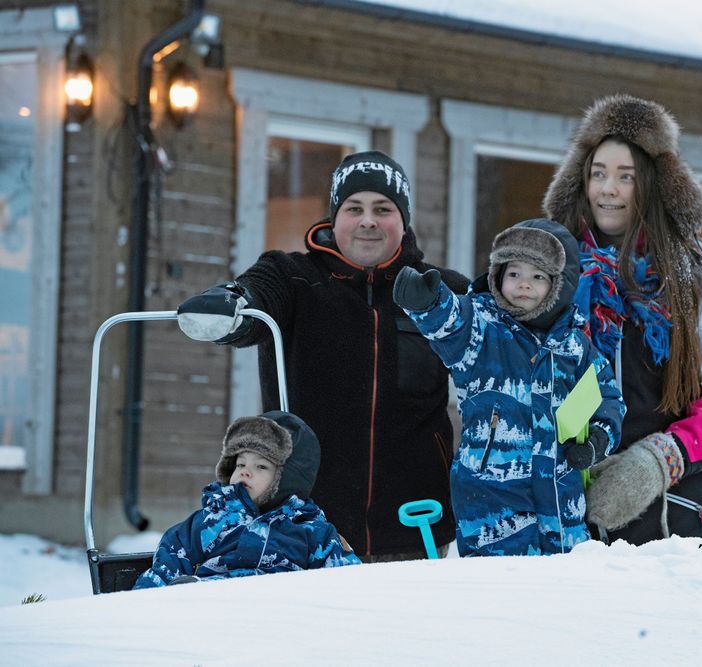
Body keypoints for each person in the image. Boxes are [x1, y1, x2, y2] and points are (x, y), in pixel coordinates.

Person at [175, 151, 468, 561]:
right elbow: (257, 295)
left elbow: (510, 333)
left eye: (383, 209)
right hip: (303, 526)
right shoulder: (292, 278)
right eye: (355, 208)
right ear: (335, 218)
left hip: (414, 524)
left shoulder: (440, 291)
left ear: (403, 221)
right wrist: (232, 305)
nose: (368, 220)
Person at [542, 93, 702, 541]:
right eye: (598, 174)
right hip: (562, 517)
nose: (608, 189)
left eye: (626, 177)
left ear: (655, 183)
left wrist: (661, 459)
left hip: (674, 517)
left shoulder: (698, 271)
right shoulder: (546, 263)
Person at [393, 218, 626, 556]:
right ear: (498, 276)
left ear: (560, 285)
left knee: (560, 598)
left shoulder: (575, 345)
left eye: (538, 276)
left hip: (563, 509)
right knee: (499, 598)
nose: (524, 285)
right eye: (514, 273)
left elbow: (608, 398)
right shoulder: (481, 328)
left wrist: (598, 440)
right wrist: (427, 301)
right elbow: (450, 323)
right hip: (491, 508)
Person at [133, 411, 361, 588]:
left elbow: (348, 585)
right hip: (208, 610)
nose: (245, 472)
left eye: (261, 466)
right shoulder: (207, 524)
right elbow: (163, 572)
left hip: (282, 619)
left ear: (288, 479)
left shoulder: (313, 533)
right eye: (240, 464)